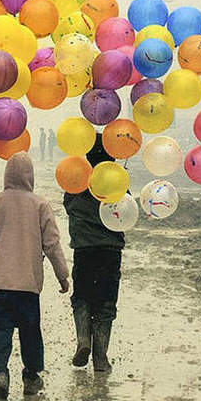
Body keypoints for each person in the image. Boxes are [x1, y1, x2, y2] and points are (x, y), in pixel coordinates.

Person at [0, 152, 69, 399]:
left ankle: (0, 373)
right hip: (27, 284)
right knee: (30, 331)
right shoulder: (40, 205)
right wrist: (62, 275)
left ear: (7, 175)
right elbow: (52, 244)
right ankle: (31, 377)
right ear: (30, 176)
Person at [63, 135, 124, 372]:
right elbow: (126, 213)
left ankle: (83, 340)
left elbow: (68, 205)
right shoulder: (117, 181)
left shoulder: (77, 180)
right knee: (106, 303)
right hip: (110, 251)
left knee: (82, 297)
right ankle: (101, 357)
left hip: (84, 250)